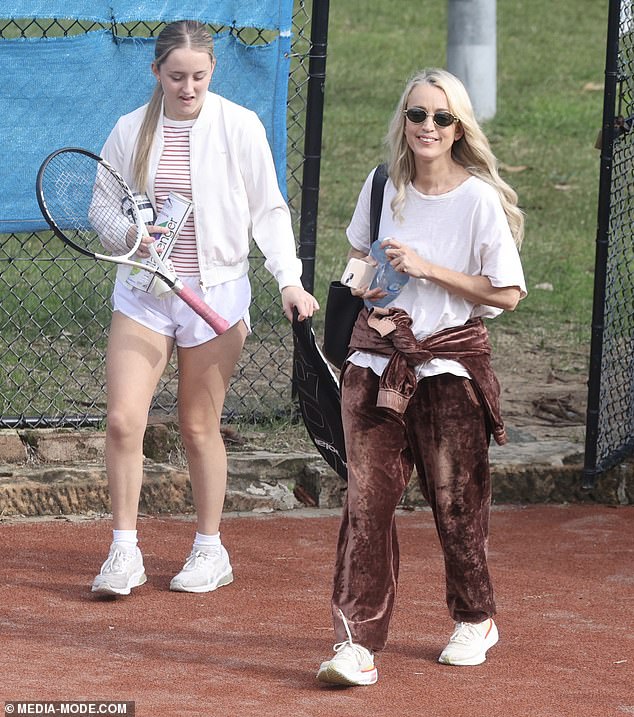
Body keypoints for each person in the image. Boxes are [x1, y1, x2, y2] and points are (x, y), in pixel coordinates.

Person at [91, 20, 318, 596]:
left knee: (197, 426)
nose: (187, 87)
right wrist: (129, 237)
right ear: (156, 73)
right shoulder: (129, 130)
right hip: (144, 292)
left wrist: (288, 280)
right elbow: (102, 210)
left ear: (212, 72)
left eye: (198, 76)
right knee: (123, 420)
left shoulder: (239, 126)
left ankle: (209, 550)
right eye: (176, 77)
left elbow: (269, 210)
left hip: (216, 295)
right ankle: (123, 552)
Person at [316, 68, 526, 686]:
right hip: (376, 364)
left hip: (449, 369)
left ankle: (474, 618)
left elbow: (507, 293)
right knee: (366, 506)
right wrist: (362, 283)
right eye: (417, 115)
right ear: (402, 120)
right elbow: (360, 257)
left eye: (441, 117)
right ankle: (355, 643)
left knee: (457, 506)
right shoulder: (382, 185)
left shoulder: (478, 200)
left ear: (459, 127)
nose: (427, 128)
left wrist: (429, 269)